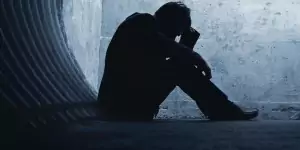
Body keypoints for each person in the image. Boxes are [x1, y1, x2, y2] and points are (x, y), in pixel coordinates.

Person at [97, 2, 258, 121]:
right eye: (177, 31)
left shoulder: (151, 39)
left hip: (129, 105)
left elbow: (160, 62)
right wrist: (193, 55)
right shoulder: (142, 21)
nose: (175, 36)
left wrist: (186, 45)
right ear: (168, 20)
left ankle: (222, 110)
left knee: (180, 66)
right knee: (181, 68)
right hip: (119, 104)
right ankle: (224, 110)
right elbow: (165, 46)